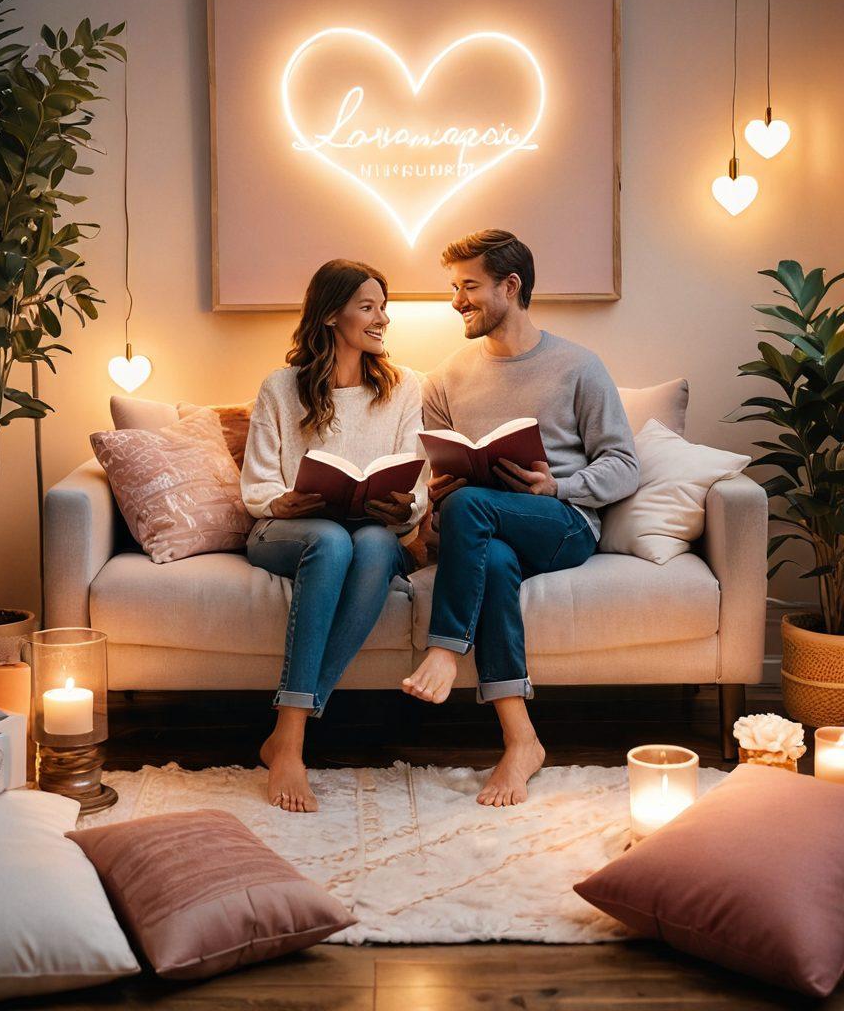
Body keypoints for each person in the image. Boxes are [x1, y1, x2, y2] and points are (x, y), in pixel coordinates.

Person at [402, 229, 639, 808]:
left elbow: (624, 465)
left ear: (511, 286)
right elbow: (436, 472)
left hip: (564, 525)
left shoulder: (579, 366)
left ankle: (445, 646)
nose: (457, 300)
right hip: (486, 527)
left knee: (473, 507)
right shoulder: (445, 377)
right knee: (494, 557)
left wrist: (561, 484)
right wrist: (436, 495)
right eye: (453, 287)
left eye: (469, 287)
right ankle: (521, 740)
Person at [242, 259, 426, 813]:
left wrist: (405, 505)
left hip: (369, 529)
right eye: (367, 308)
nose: (382, 319)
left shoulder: (402, 387)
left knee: (366, 543)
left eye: (383, 307)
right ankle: (293, 743)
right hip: (287, 530)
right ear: (330, 315)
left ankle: (286, 733)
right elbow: (256, 485)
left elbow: (418, 479)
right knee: (331, 540)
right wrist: (283, 501)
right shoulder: (281, 387)